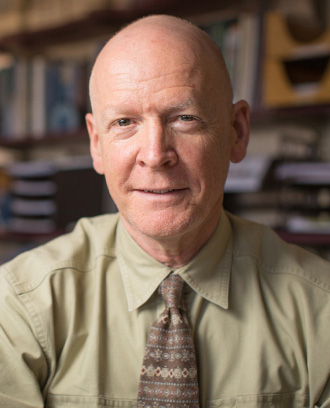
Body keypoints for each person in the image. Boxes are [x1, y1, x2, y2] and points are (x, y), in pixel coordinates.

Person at [0, 14, 329, 408]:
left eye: (184, 118)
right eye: (125, 122)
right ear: (96, 143)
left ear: (237, 132)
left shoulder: (319, 311)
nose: (155, 155)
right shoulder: (20, 306)